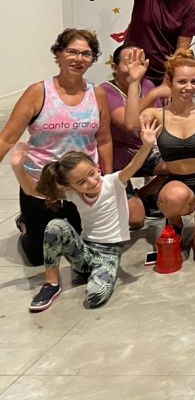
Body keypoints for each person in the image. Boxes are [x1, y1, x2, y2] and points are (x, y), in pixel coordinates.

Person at [0, 29, 113, 266]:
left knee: (86, 249)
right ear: (59, 54)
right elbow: (7, 138)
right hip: (41, 184)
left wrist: (109, 181)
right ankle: (26, 223)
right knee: (38, 258)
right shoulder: (38, 92)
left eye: (86, 54)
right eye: (72, 51)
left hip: (82, 185)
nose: (79, 59)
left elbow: (104, 139)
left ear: (92, 59)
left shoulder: (97, 94)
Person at [22, 117, 158, 312]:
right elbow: (32, 191)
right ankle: (51, 284)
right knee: (55, 226)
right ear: (70, 186)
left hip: (108, 255)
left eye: (92, 174)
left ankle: (97, 276)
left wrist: (147, 145)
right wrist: (18, 168)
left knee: (95, 298)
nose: (91, 182)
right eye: (81, 182)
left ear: (97, 167)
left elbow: (133, 166)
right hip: (84, 252)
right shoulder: (74, 194)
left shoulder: (113, 183)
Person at [126, 50, 195, 260]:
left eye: (194, 81)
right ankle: (175, 223)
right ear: (169, 82)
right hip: (177, 184)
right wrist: (135, 82)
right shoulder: (157, 115)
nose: (188, 87)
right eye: (182, 81)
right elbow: (130, 123)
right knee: (173, 197)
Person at [99, 45, 167, 216]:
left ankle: (145, 194)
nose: (135, 68)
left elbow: (159, 120)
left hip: (147, 152)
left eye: (140, 63)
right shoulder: (105, 91)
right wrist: (151, 95)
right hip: (120, 160)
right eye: (129, 62)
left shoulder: (147, 84)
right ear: (114, 67)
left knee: (184, 162)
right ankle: (130, 200)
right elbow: (129, 124)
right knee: (136, 219)